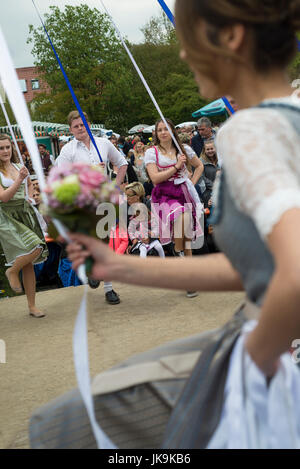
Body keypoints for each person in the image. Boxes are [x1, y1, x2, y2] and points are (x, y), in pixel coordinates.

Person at [64, 0, 300, 449]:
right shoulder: (287, 121)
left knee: (76, 424)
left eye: (187, 40)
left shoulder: (249, 133)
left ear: (231, 39)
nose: (183, 56)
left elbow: (294, 274)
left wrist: (251, 364)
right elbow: (263, 270)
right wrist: (119, 267)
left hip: (277, 351)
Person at [56, 110, 128, 305]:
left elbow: (122, 164)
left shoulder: (103, 143)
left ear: (88, 124)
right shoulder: (68, 150)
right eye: (76, 126)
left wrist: (115, 184)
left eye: (83, 124)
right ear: (70, 129)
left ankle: (109, 289)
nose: (80, 128)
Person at [0, 135, 48, 318]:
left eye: (7, 147)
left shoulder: (18, 166)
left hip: (25, 212)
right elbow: (3, 197)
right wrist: (20, 180)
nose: (5, 151)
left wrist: (30, 194)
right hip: (7, 216)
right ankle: (11, 270)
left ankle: (32, 306)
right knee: (37, 246)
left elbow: (29, 184)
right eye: (1, 148)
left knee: (29, 263)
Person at [125, 182, 165, 259]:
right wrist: (130, 244)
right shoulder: (126, 209)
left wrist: (150, 238)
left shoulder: (149, 205)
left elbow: (157, 227)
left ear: (137, 196)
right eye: (126, 195)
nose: (127, 198)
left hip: (152, 240)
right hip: (136, 242)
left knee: (157, 248)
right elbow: (127, 230)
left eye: (129, 196)